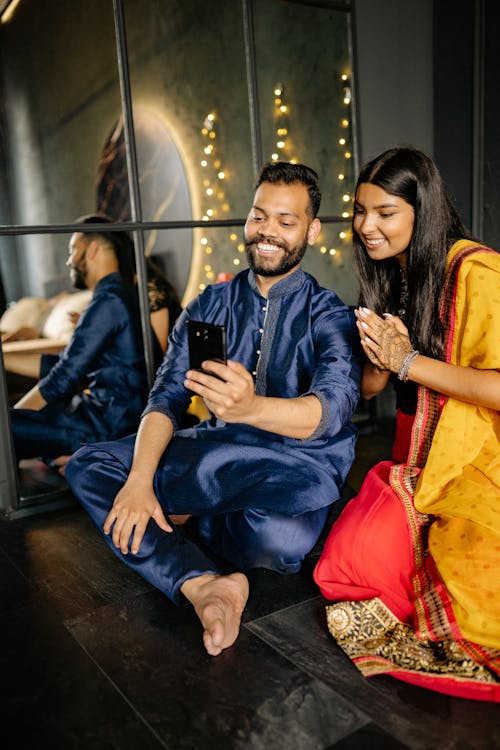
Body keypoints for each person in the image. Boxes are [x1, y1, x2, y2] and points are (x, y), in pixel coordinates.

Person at [65, 161, 361, 657]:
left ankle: (191, 522)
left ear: (311, 230)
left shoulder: (329, 314)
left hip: (296, 468)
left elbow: (329, 411)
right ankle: (202, 584)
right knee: (90, 466)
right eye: (259, 216)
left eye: (286, 222)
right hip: (219, 454)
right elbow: (166, 397)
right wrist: (139, 479)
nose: (268, 232)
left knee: (282, 536)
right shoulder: (211, 304)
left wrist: (249, 407)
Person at [314, 147, 500, 702]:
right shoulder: (386, 279)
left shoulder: (477, 273)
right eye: (359, 210)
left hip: (476, 460)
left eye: (385, 213)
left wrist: (408, 361)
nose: (366, 226)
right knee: (346, 568)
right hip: (413, 457)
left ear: (424, 212)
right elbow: (375, 389)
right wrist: (376, 358)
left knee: (474, 592)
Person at [10, 215, 149, 466]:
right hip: (101, 415)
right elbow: (64, 364)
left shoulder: (110, 301)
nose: (69, 260)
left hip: (109, 424)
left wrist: (14, 418)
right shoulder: (114, 296)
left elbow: (63, 378)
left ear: (93, 249)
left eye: (73, 250)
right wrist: (6, 359)